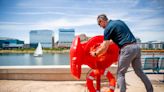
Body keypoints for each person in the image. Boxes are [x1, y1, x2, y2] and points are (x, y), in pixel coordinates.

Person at [90, 14, 153, 92]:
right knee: (139, 71)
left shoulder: (107, 29)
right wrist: (105, 43)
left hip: (127, 49)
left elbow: (104, 48)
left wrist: (95, 53)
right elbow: (118, 38)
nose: (100, 26)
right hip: (136, 47)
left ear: (102, 21)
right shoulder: (119, 22)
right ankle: (150, 90)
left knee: (120, 73)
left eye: (99, 24)